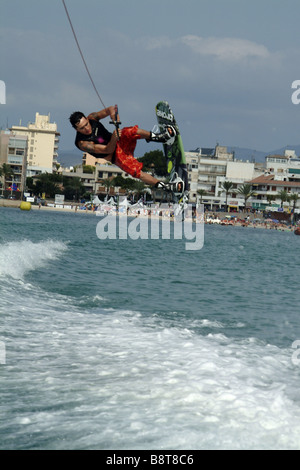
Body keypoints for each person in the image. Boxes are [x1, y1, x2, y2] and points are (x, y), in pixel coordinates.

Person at [69, 106, 180, 190]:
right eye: (82, 128)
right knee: (136, 172)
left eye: (87, 124)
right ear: (76, 129)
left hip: (120, 142)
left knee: (131, 131)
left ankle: (160, 137)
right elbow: (107, 150)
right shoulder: (82, 143)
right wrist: (113, 138)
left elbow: (111, 109)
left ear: (87, 119)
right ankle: (167, 187)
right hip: (116, 156)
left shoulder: (92, 118)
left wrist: (114, 116)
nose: (87, 128)